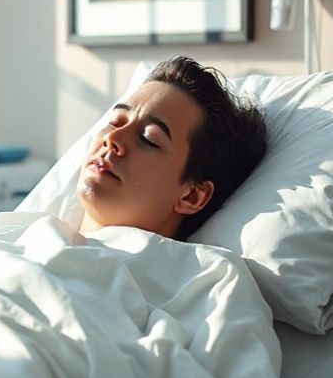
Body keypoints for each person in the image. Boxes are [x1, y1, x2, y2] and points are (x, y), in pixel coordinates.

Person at [78, 56, 267, 240]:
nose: (112, 137)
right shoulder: (49, 236)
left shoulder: (212, 271)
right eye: (116, 122)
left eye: (149, 138)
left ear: (192, 196)